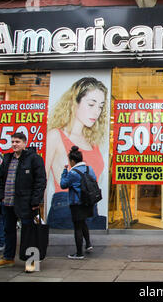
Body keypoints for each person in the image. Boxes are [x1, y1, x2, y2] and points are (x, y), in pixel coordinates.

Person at [46, 77, 108, 229]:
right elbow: (42, 178)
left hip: (90, 204)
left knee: (89, 245)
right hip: (66, 203)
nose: (97, 111)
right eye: (91, 104)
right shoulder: (56, 136)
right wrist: (37, 211)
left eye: (100, 106)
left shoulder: (93, 142)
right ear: (75, 103)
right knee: (66, 246)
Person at [0, 132, 46, 269]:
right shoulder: (7, 158)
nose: (14, 144)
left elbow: (40, 181)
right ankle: (8, 258)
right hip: (7, 202)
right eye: (13, 141)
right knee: (8, 230)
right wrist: (0, 196)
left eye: (18, 142)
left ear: (24, 143)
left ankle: (31, 261)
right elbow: (1, 179)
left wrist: (35, 201)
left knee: (29, 232)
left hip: (26, 203)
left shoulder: (34, 159)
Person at [60, 146, 94, 259]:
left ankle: (79, 253)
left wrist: (65, 171)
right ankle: (88, 244)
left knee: (77, 227)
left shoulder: (73, 173)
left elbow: (63, 184)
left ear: (72, 161)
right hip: (88, 201)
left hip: (77, 203)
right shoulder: (89, 169)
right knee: (83, 222)